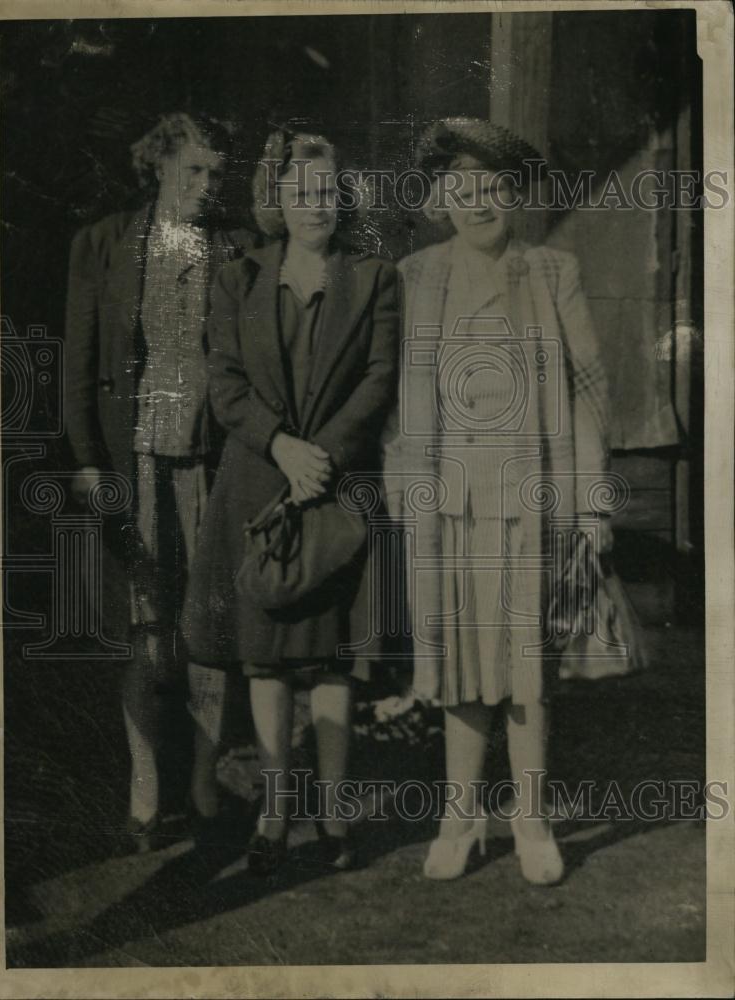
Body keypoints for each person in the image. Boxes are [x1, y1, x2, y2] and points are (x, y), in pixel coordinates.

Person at [383, 117, 612, 883]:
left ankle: (534, 820)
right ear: (441, 198)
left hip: (531, 498)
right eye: (463, 189)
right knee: (452, 663)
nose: (479, 202)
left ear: (514, 195)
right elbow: (395, 402)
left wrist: (592, 506)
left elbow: (586, 394)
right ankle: (461, 817)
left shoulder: (551, 272)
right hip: (448, 501)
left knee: (525, 670)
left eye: (493, 189)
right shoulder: (416, 277)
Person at [182, 126, 399, 873]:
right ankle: (275, 812)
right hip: (258, 480)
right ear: (277, 198)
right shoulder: (238, 277)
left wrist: (324, 456)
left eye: (327, 192)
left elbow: (378, 379)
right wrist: (281, 446)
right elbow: (225, 383)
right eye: (300, 192)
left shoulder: (374, 278)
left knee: (332, 658)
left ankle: (336, 811)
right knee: (267, 659)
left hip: (337, 488)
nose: (315, 206)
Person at [64, 112, 254, 850]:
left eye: (215, 173)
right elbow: (80, 365)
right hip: (133, 461)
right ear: (158, 169)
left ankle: (204, 785)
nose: (207, 187)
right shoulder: (104, 244)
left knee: (208, 625)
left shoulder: (234, 245)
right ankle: (145, 792)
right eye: (192, 172)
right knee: (145, 627)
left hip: (212, 461)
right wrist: (85, 460)